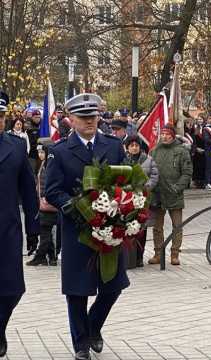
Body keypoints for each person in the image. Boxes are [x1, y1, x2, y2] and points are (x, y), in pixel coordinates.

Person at [45, 93, 129, 360]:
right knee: (77, 290)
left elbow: (125, 179)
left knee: (113, 286)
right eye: (83, 117)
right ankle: (81, 344)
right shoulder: (59, 151)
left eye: (93, 117)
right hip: (77, 230)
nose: (90, 122)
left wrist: (124, 203)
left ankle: (93, 327)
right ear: (70, 120)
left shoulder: (113, 146)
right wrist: (75, 206)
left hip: (109, 225)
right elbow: (52, 190)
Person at [0, 92, 40, 358]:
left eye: (1, 116)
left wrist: (34, 229)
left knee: (13, 288)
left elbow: (28, 189)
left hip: (7, 229)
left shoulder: (15, 146)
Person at [149, 125, 193, 266]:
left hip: (174, 194)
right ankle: (158, 253)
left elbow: (187, 173)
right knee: (157, 227)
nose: (165, 136)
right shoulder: (154, 150)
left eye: (168, 134)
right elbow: (149, 170)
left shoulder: (181, 151)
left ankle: (175, 254)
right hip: (157, 194)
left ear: (173, 135)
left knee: (177, 226)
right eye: (162, 133)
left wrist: (177, 188)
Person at [124, 135, 159, 267]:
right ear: (127, 147)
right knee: (128, 228)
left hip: (143, 199)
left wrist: (146, 187)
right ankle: (128, 257)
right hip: (127, 199)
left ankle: (139, 257)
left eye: (136, 145)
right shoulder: (123, 160)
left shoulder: (148, 160)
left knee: (141, 229)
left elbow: (154, 176)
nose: (134, 148)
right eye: (131, 145)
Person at [26, 142, 58, 267]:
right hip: (44, 203)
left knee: (44, 231)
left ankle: (40, 256)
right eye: (39, 152)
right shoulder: (44, 164)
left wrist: (44, 197)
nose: (40, 155)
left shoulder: (49, 166)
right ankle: (51, 257)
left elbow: (46, 185)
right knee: (46, 230)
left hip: (47, 204)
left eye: (42, 152)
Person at [26, 109, 41, 174]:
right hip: (32, 155)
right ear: (32, 117)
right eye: (36, 117)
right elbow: (30, 142)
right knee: (31, 173)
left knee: (39, 173)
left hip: (40, 154)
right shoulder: (28, 127)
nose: (38, 119)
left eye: (39, 117)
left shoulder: (42, 126)